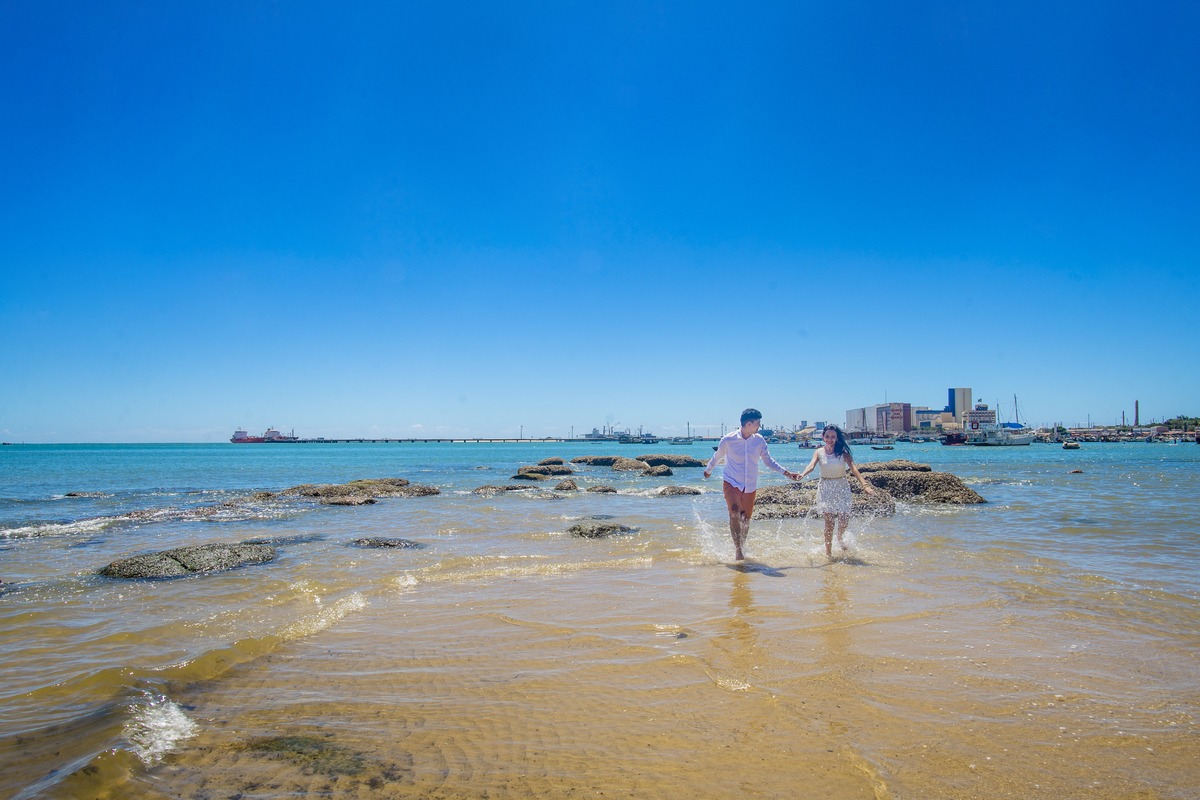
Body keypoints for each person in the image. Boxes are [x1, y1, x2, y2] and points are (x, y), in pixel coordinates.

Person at [704, 409, 799, 561]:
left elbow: (768, 461)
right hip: (731, 482)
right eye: (757, 423)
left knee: (745, 520)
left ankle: (742, 545)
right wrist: (708, 470)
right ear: (749, 423)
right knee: (735, 514)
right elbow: (717, 457)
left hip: (750, 485)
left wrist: (787, 473)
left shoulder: (759, 440)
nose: (759, 426)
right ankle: (738, 551)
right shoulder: (728, 439)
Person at [797, 424, 876, 557]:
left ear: (837, 438)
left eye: (833, 437)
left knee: (844, 519)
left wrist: (865, 485)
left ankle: (839, 538)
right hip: (826, 487)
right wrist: (803, 474)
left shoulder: (843, 453)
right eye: (827, 436)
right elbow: (811, 466)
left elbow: (854, 469)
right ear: (823, 437)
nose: (830, 439)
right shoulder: (819, 452)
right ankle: (828, 553)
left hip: (842, 486)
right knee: (829, 523)